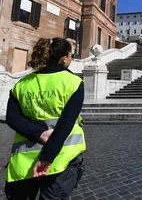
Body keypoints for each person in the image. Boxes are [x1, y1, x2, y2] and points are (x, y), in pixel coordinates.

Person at [4, 38, 86, 200]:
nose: (71, 59)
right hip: (60, 159)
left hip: (24, 161)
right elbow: (65, 124)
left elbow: (12, 118)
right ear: (64, 58)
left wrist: (39, 133)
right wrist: (46, 158)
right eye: (71, 55)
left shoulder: (21, 84)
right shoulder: (73, 82)